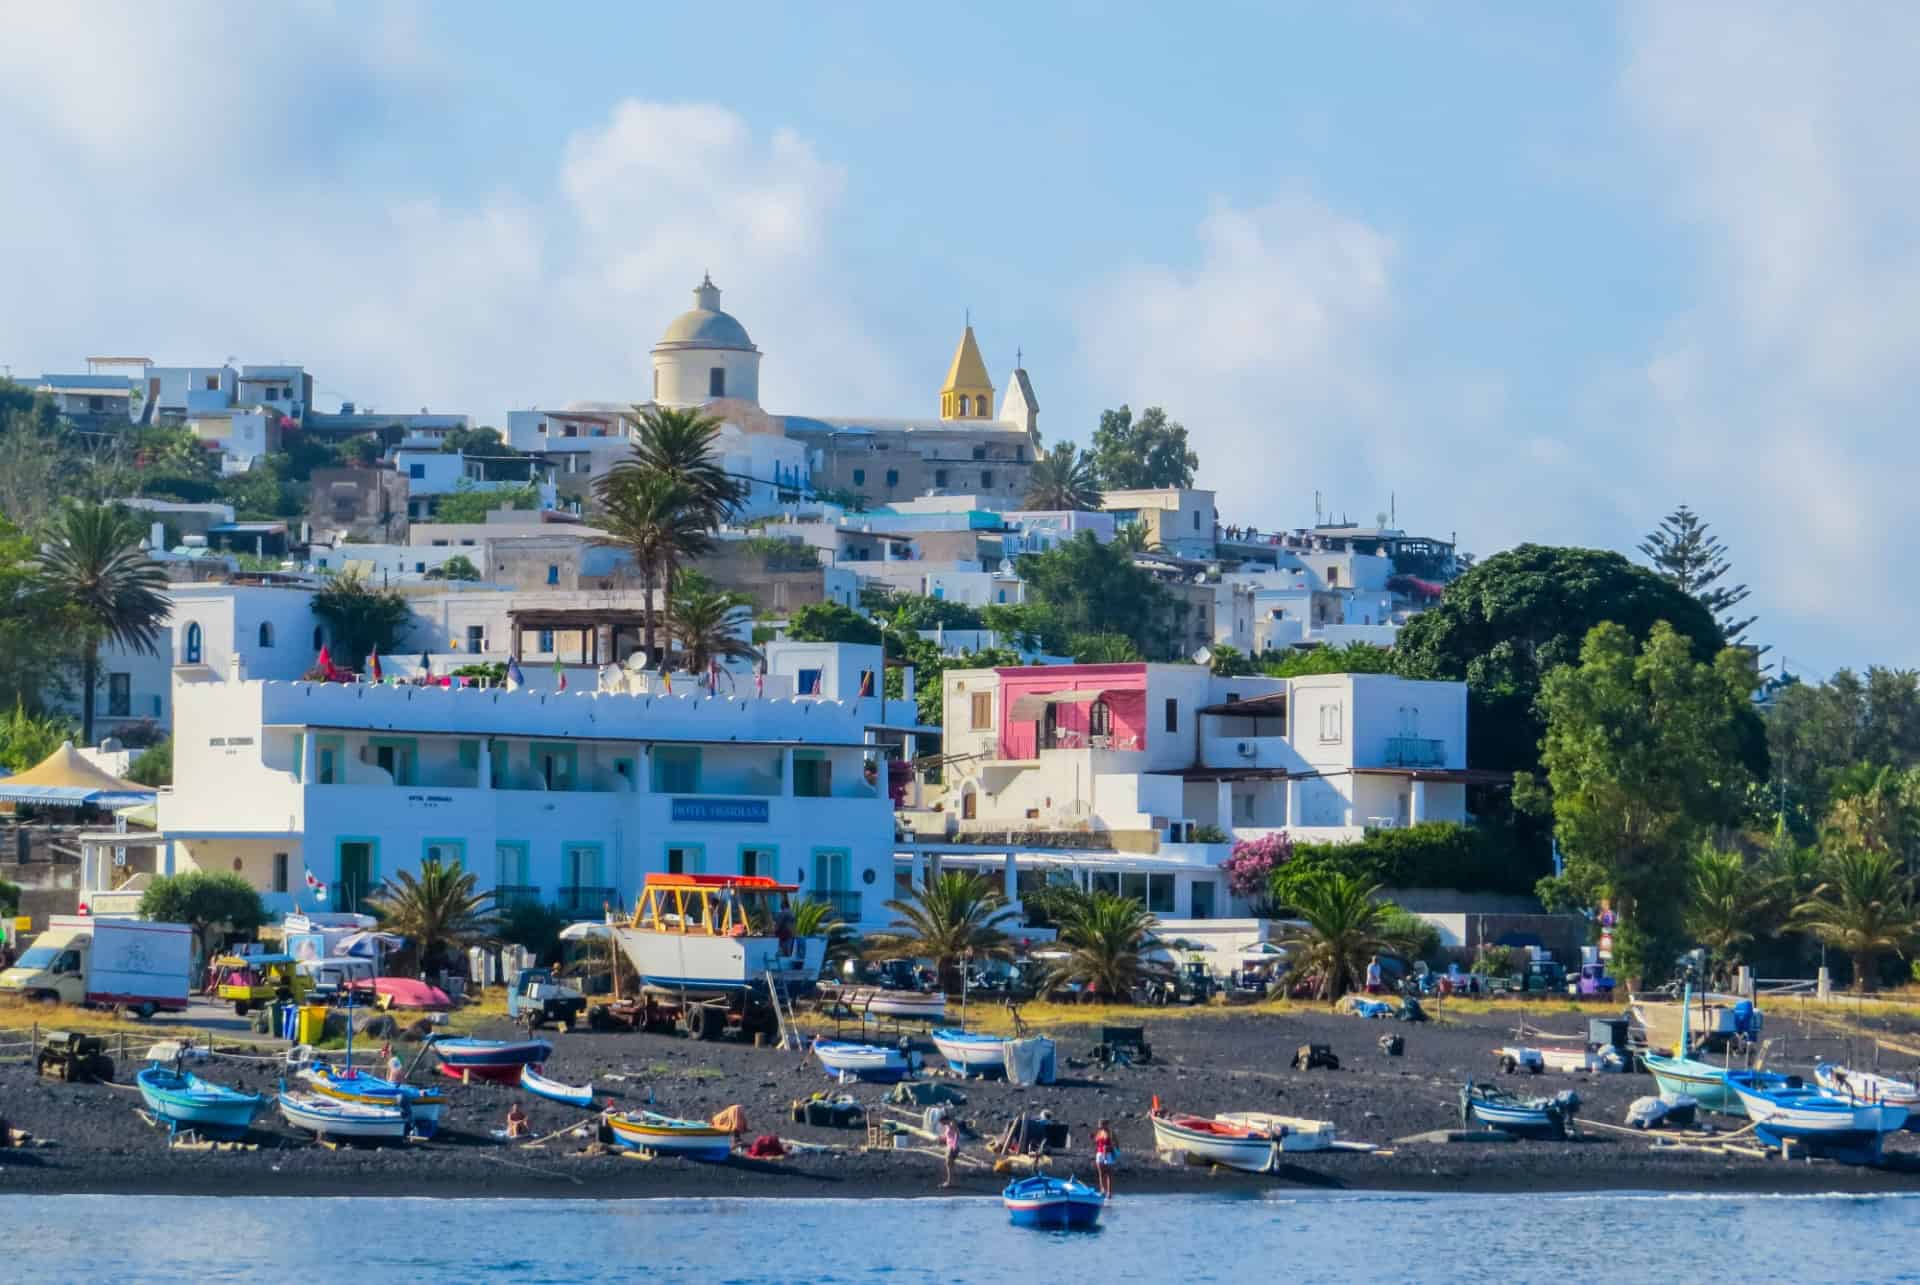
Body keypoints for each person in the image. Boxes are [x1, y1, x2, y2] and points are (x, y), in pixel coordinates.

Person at [1092, 1119, 1116, 1199]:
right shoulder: (1099, 1132)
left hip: (1108, 1154)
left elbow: (1113, 1144)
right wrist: (1093, 1138)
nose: (1099, 1125)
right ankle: (1102, 1190)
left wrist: (1108, 1148)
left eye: (1101, 1124)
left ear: (1105, 1125)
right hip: (1099, 1153)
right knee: (1101, 1173)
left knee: (1108, 1174)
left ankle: (1109, 1192)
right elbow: (1096, 1142)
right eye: (1099, 1124)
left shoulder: (1110, 1133)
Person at [940, 1115, 960, 1189]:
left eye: (942, 1122)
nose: (941, 1124)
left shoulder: (952, 1124)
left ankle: (949, 1182)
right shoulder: (947, 1126)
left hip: (952, 1147)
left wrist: (954, 1145)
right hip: (949, 1146)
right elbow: (948, 1136)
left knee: (949, 1165)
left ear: (945, 1120)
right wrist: (942, 1138)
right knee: (949, 1165)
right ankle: (951, 1182)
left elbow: (957, 1134)